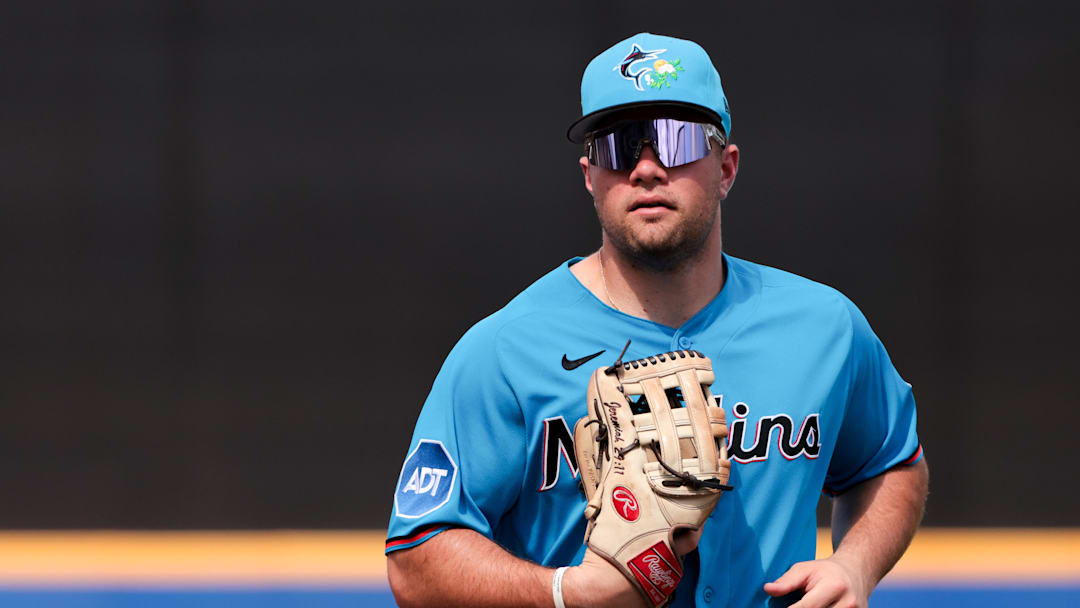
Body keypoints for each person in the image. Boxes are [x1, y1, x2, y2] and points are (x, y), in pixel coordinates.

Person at [384, 32, 928, 608]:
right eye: (619, 145)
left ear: (726, 167)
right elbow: (417, 557)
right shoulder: (503, 351)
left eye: (676, 138)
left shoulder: (824, 328)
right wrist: (568, 592)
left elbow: (891, 464)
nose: (646, 167)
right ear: (590, 175)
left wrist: (856, 564)